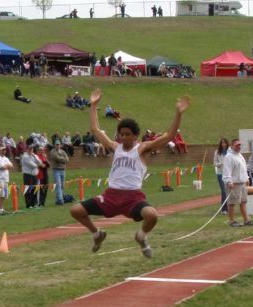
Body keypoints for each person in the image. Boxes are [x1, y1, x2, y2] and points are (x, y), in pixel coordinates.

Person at [70, 88, 190, 257]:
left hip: (133, 197)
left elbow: (169, 136)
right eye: (121, 134)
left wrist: (178, 113)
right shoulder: (115, 147)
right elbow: (95, 129)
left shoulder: (143, 148)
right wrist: (93, 105)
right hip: (111, 195)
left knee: (152, 215)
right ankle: (97, 234)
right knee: (76, 210)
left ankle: (141, 237)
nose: (123, 137)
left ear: (135, 136)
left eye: (127, 135)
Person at [223, 139, 253, 227]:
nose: (239, 147)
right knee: (232, 202)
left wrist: (247, 178)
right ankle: (232, 221)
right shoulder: (228, 157)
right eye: (237, 145)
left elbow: (244, 168)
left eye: (240, 145)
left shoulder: (240, 155)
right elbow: (227, 170)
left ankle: (246, 220)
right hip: (234, 183)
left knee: (243, 201)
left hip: (242, 182)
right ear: (232, 146)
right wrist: (229, 181)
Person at [0, 144, 13, 215]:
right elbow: (2, 167)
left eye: (5, 150)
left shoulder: (6, 158)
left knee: (4, 195)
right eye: (2, 150)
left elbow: (11, 165)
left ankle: (2, 209)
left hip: (5, 179)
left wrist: (6, 166)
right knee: (0, 194)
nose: (4, 151)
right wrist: (7, 166)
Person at [49, 139, 70, 205]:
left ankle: (58, 200)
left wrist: (63, 159)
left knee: (62, 185)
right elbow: (57, 158)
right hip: (56, 170)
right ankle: (61, 200)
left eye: (59, 144)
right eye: (56, 144)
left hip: (63, 170)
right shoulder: (53, 152)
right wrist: (64, 160)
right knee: (58, 185)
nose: (58, 146)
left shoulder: (63, 151)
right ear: (55, 145)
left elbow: (67, 159)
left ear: (60, 145)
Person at [213, 138, 230, 214]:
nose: (223, 144)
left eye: (225, 143)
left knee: (229, 191)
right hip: (220, 173)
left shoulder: (229, 152)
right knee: (223, 191)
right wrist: (220, 164)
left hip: (229, 174)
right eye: (222, 143)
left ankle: (229, 207)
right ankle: (224, 209)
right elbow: (215, 163)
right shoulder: (217, 152)